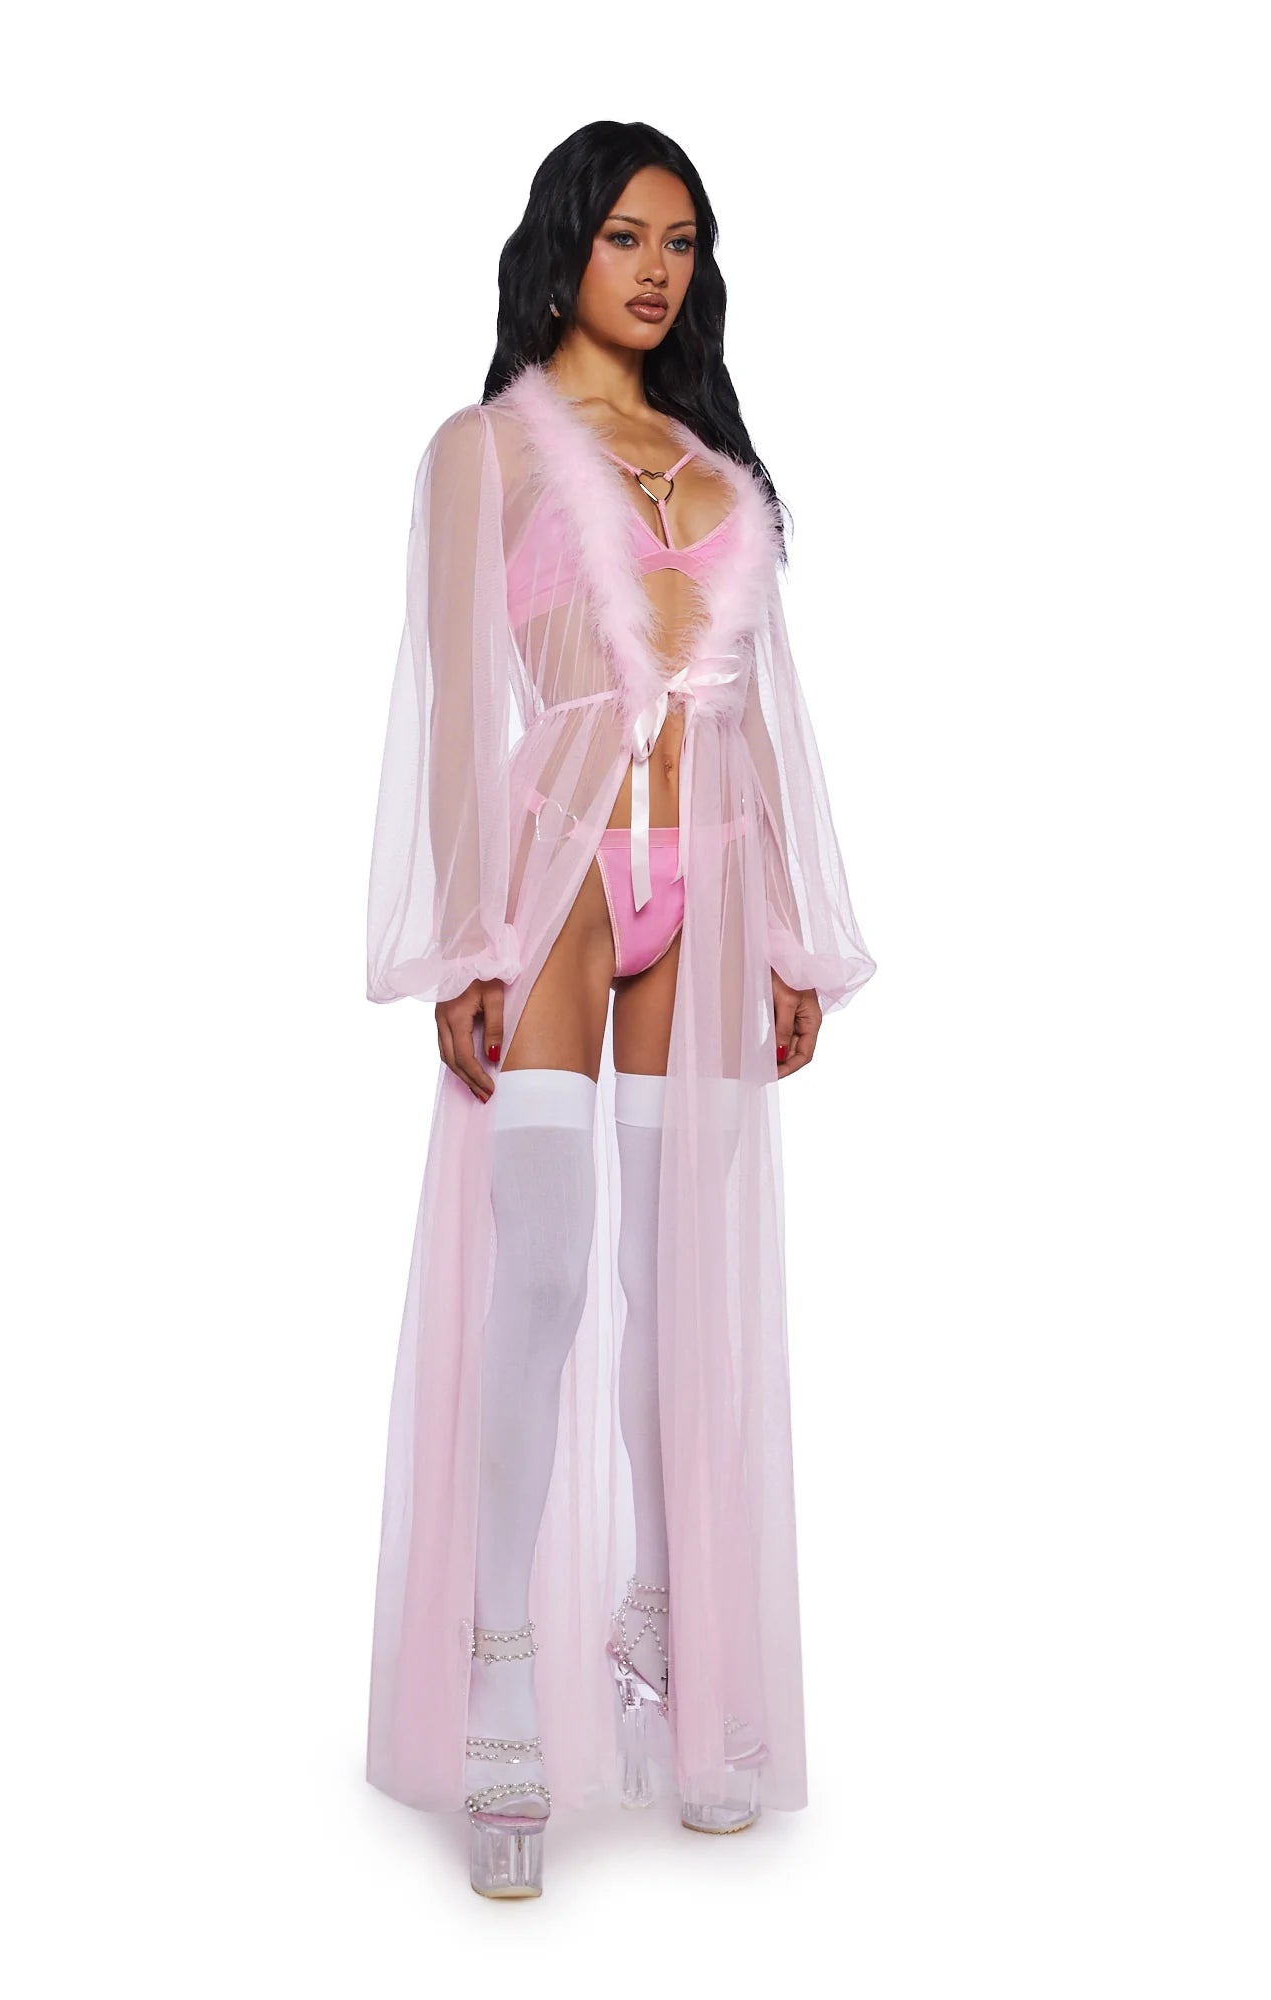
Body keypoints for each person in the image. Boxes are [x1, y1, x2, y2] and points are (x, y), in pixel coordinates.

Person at [364, 120, 877, 1899]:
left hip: (711, 884)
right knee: (546, 1275)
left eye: (683, 242)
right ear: (564, 246)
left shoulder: (715, 468)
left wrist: (793, 933)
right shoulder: (486, 450)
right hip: (561, 878)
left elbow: (768, 715)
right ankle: (501, 1664)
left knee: (682, 1290)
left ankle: (667, 1635)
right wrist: (460, 947)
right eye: (627, 237)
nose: (656, 270)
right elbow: (454, 705)